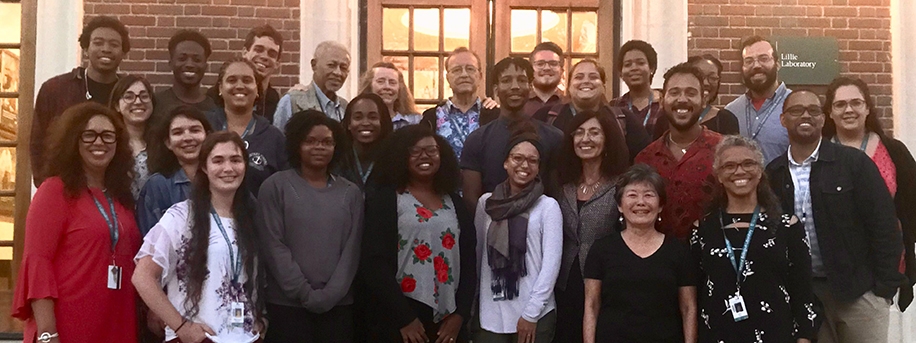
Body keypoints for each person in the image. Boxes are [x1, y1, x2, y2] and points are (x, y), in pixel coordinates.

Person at [766, 90, 906, 343]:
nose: (806, 115)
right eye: (796, 110)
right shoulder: (774, 173)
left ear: (823, 119)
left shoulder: (854, 164)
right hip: (807, 295)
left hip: (859, 293)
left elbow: (884, 226)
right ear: (783, 119)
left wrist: (883, 290)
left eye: (813, 110)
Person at [13, 102, 140, 343]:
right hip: (68, 323)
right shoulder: (55, 191)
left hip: (116, 319)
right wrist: (48, 333)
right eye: (89, 135)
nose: (99, 142)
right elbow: (38, 263)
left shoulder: (120, 197)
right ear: (73, 141)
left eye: (108, 136)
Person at [133, 132, 264, 343]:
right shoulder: (182, 216)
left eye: (236, 160)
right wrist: (181, 326)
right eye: (218, 160)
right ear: (204, 167)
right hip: (199, 338)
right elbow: (142, 276)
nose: (228, 168)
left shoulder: (250, 218)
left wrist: (260, 318)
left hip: (245, 337)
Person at [691, 135, 814, 342]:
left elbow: (803, 290)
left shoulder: (787, 226)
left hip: (775, 333)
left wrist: (805, 337)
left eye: (748, 163)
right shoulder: (703, 229)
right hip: (719, 334)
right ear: (719, 175)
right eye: (729, 166)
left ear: (760, 171)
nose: (739, 171)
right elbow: (694, 292)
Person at [361, 125, 477, 342]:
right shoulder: (386, 200)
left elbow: (470, 261)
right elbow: (374, 263)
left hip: (448, 318)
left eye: (432, 150)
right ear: (401, 156)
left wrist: (460, 314)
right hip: (401, 318)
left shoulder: (455, 203)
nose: (425, 156)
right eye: (415, 151)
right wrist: (404, 318)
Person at [257, 111, 363, 342]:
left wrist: (330, 295)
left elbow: (351, 252)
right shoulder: (275, 187)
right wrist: (304, 293)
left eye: (327, 142)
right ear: (296, 144)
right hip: (287, 306)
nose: (319, 147)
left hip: (338, 307)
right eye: (310, 141)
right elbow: (274, 246)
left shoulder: (351, 193)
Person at [822, 77, 916, 311]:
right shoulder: (819, 155)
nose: (849, 110)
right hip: (833, 272)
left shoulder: (894, 151)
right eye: (840, 104)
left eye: (856, 102)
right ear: (830, 112)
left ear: (867, 108)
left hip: (883, 270)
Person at [583, 164, 697, 343]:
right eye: (632, 195)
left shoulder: (678, 251)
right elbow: (591, 305)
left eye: (649, 195)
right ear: (620, 206)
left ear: (660, 206)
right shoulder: (601, 249)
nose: (641, 202)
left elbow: (688, 308)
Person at [473, 125, 562, 343]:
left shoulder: (547, 207)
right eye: (517, 158)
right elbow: (478, 257)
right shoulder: (487, 204)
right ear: (505, 162)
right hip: (491, 312)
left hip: (534, 313)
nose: (524, 165)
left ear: (539, 167)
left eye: (533, 160)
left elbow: (551, 266)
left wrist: (531, 313)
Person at [551, 110, 629, 343]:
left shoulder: (620, 185)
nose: (586, 139)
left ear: (607, 141)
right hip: (563, 283)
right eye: (580, 133)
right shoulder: (561, 184)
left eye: (594, 133)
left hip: (606, 284)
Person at [31, 16, 130, 185]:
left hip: (114, 188)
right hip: (64, 187)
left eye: (114, 44)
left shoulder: (130, 94)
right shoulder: (55, 89)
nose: (106, 49)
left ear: (123, 53)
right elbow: (37, 143)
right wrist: (46, 185)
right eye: (98, 42)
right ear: (86, 48)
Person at [460, 57, 563, 212]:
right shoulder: (477, 140)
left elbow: (557, 194)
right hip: (492, 226)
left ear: (530, 87)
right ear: (496, 89)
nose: (515, 86)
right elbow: (471, 199)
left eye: (521, 80)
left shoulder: (553, 137)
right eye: (507, 80)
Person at [635, 62, 722, 240]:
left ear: (704, 100)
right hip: (660, 262)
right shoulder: (646, 159)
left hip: (712, 259)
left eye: (691, 93)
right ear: (662, 99)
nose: (682, 99)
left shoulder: (725, 151)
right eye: (674, 92)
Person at [532, 59, 650, 162]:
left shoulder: (624, 120)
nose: (586, 81)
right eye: (579, 77)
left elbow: (644, 163)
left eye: (593, 77)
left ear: (603, 86)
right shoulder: (546, 117)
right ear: (568, 87)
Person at [206, 58, 288, 197]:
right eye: (232, 80)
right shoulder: (204, 126)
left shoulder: (274, 137)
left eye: (247, 80)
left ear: (257, 89)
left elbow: (284, 190)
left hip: (257, 217)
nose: (239, 86)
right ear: (220, 88)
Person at [137, 105, 213, 236]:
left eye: (195, 130)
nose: (188, 138)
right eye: (178, 132)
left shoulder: (222, 179)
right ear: (168, 143)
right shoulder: (157, 187)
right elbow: (149, 242)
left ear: (207, 135)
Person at [420, 47, 500, 159]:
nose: (464, 75)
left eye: (470, 69)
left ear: (480, 76)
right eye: (457, 70)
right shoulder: (431, 118)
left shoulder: (495, 115)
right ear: (447, 78)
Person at [726, 36, 793, 164]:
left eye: (763, 58)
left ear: (777, 64)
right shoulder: (731, 111)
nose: (756, 65)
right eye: (749, 61)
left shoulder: (796, 106)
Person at [208, 25, 284, 123]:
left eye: (272, 54)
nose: (264, 57)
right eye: (259, 49)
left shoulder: (274, 99)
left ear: (277, 63)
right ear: (245, 52)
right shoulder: (213, 97)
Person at [652, 55, 739, 139]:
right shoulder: (664, 120)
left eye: (712, 78)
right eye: (700, 76)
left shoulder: (726, 120)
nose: (706, 83)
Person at [274, 41, 351, 128]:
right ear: (314, 65)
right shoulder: (292, 101)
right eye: (331, 65)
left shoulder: (345, 108)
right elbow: (278, 139)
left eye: (343, 68)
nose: (338, 73)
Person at [152, 30, 217, 125]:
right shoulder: (155, 105)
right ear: (171, 64)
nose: (189, 64)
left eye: (197, 60)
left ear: (205, 66)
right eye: (182, 59)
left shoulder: (214, 109)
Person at [108, 75, 154, 199]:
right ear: (117, 105)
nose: (138, 102)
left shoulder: (162, 143)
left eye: (144, 96)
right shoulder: (109, 143)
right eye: (129, 97)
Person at [337, 93, 394, 189]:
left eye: (373, 117)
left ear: (382, 122)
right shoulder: (337, 158)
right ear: (348, 124)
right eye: (358, 117)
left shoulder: (395, 159)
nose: (365, 123)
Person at [613, 40, 663, 137]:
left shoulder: (664, 104)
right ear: (621, 73)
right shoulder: (615, 106)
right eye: (627, 64)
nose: (634, 68)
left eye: (640, 63)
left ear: (651, 68)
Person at [359, 62, 422, 130]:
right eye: (381, 81)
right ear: (369, 86)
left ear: (400, 88)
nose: (387, 86)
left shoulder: (414, 121)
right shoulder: (358, 121)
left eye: (392, 82)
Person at [524, 42, 565, 117]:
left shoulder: (569, 104)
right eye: (540, 64)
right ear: (530, 70)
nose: (546, 68)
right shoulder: (519, 103)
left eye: (553, 63)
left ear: (561, 70)